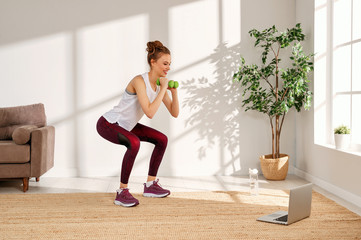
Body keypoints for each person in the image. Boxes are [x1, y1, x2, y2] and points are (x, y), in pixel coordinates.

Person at [96, 40, 179, 207]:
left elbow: (174, 112)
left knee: (161, 139)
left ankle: (150, 185)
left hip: (127, 125)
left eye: (169, 64)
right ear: (153, 62)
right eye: (165, 63)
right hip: (108, 123)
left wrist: (174, 92)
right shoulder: (139, 81)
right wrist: (163, 89)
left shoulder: (159, 85)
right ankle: (122, 192)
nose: (168, 67)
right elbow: (149, 111)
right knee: (133, 142)